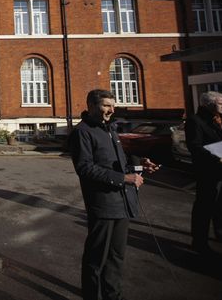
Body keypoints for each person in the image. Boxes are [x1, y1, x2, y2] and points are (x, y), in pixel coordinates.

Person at [69, 89, 158, 300]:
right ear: (91, 106)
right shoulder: (82, 132)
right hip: (103, 204)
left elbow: (120, 163)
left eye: (113, 105)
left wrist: (140, 166)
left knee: (116, 256)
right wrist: (123, 178)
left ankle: (113, 295)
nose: (111, 110)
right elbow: (85, 168)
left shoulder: (110, 128)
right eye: (106, 105)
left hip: (122, 202)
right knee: (96, 257)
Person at [185, 91, 222, 255]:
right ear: (209, 105)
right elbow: (195, 147)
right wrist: (218, 159)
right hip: (207, 172)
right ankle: (199, 241)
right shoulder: (195, 121)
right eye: (220, 103)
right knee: (204, 207)